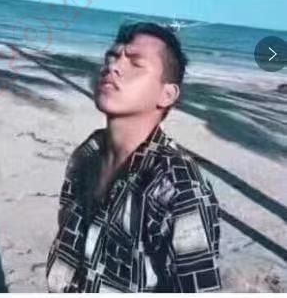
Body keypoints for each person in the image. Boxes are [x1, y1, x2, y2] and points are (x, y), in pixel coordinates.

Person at [46, 22, 221, 293]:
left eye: (136, 64)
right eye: (111, 57)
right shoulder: (87, 154)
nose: (113, 67)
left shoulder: (179, 188)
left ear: (167, 94)